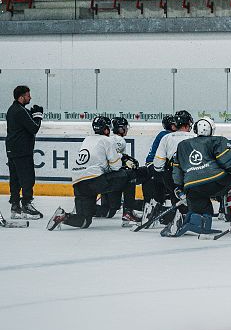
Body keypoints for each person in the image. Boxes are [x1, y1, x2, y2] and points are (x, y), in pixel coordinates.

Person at [47, 116, 150, 230]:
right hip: (95, 181)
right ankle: (128, 213)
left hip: (78, 183)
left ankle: (62, 216)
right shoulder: (107, 140)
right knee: (130, 174)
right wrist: (123, 161)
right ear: (106, 130)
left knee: (84, 221)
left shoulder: (87, 139)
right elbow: (115, 167)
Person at [162, 117, 231, 237]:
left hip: (192, 186)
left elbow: (177, 170)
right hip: (216, 181)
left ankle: (195, 221)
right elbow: (227, 162)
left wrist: (179, 186)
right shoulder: (217, 140)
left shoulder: (182, 145)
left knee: (199, 203)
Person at [5, 85, 44, 223]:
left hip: (12, 150)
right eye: (28, 95)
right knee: (27, 178)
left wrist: (32, 115)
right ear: (21, 97)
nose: (30, 97)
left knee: (15, 179)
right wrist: (38, 116)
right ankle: (26, 204)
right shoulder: (20, 111)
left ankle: (15, 206)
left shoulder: (12, 109)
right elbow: (34, 128)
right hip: (22, 151)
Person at [152, 110, 196, 205]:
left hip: (172, 176)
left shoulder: (166, 138)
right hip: (192, 175)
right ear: (188, 123)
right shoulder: (195, 138)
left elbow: (158, 165)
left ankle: (176, 209)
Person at [141, 115, 177, 219]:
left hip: (154, 166)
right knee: (169, 181)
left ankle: (154, 208)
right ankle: (157, 209)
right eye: (174, 124)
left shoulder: (165, 135)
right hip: (155, 166)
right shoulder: (167, 136)